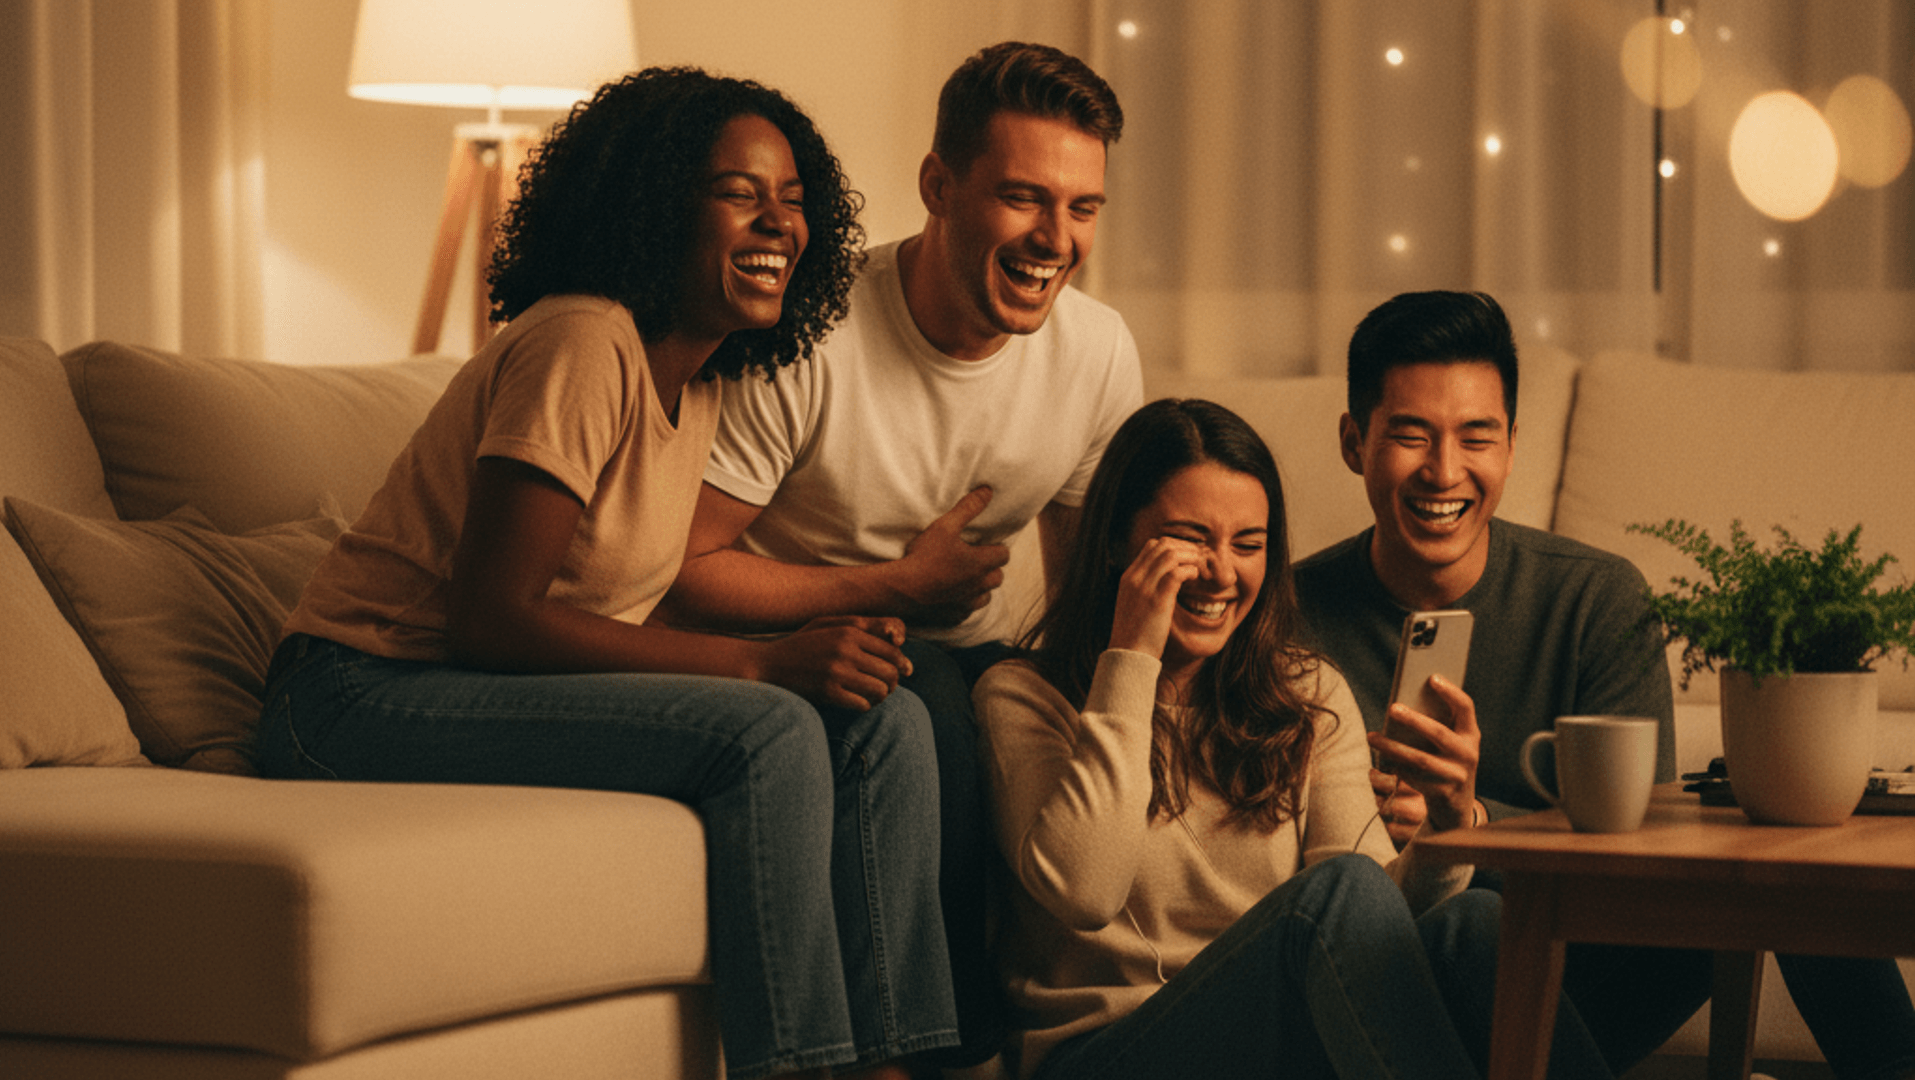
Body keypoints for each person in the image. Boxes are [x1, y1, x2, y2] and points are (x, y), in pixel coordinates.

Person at [255, 68, 960, 1080]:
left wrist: (830, 637)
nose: (779, 223)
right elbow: (491, 619)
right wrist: (762, 669)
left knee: (885, 718)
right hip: (351, 695)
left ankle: (894, 1066)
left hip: (467, 687)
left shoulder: (707, 379)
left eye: (795, 199)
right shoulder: (583, 340)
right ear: (656, 202)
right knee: (769, 726)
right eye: (738, 193)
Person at [656, 41, 1144, 1070]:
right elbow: (682, 568)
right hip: (798, 653)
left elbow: (1085, 582)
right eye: (1023, 198)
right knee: (928, 715)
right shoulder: (809, 333)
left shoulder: (1096, 350)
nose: (1055, 239)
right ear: (938, 185)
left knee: (1007, 711)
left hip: (975, 661)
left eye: (1083, 209)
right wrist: (890, 586)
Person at [1294, 289, 1915, 1078]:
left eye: (1475, 437)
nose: (1444, 472)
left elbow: (1639, 848)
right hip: (1384, 985)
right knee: (1475, 925)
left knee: (1791, 858)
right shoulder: (1287, 619)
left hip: (1579, 977)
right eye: (1410, 436)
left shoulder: (1593, 597)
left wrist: (1471, 820)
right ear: (1354, 442)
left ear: (1513, 445)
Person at [971, 398, 1613, 1079]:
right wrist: (1132, 657)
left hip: (1269, 1046)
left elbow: (1373, 922)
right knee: (1334, 894)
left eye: (1248, 545)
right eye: (1190, 539)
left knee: (1476, 923)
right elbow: (1086, 892)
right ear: (1113, 544)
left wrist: (1447, 829)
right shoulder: (1022, 696)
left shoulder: (1306, 695)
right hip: (1105, 1054)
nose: (1222, 573)